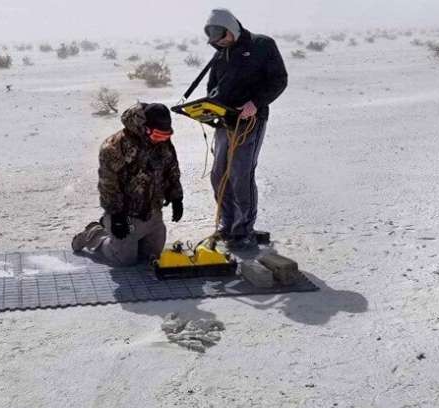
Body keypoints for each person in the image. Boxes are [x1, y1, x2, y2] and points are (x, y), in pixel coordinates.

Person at [204, 8, 288, 250]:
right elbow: (212, 88)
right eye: (216, 42)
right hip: (225, 123)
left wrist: (255, 103)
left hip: (251, 120)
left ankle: (243, 229)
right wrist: (208, 109)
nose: (221, 43)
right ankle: (227, 224)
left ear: (231, 28)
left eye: (223, 38)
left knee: (241, 174)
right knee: (219, 174)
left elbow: (279, 80)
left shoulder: (262, 45)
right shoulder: (220, 56)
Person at [71, 103, 184, 266]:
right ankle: (95, 234)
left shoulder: (162, 142)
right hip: (125, 214)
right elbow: (108, 184)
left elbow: (172, 168)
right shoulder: (115, 146)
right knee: (124, 259)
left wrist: (176, 197)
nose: (163, 140)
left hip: (151, 212)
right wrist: (116, 215)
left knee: (151, 256)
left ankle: (128, 240)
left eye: (166, 136)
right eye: (159, 136)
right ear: (145, 128)